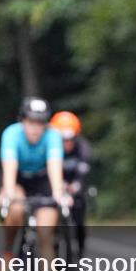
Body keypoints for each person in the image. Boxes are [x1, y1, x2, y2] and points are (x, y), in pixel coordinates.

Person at [0, 97, 71, 271]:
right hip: (18, 179)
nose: (35, 128)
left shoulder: (53, 137)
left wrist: (60, 194)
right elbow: (10, 171)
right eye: (31, 122)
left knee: (45, 234)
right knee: (15, 209)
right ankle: (9, 252)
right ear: (23, 121)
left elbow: (55, 169)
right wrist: (8, 194)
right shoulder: (11, 134)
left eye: (40, 123)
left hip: (42, 182)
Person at [49, 110, 92, 256]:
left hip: (75, 186)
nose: (67, 144)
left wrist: (76, 185)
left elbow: (83, 171)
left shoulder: (82, 147)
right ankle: (53, 249)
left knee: (79, 219)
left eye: (70, 139)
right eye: (63, 140)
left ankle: (79, 252)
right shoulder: (50, 148)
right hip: (55, 187)